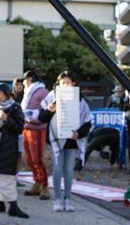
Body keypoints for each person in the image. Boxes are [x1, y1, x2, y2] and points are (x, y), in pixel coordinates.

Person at [39, 71, 92, 212]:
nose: (66, 85)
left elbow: (87, 121)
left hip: (72, 140)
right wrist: (49, 110)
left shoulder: (80, 100)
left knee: (68, 170)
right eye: (63, 83)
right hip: (56, 138)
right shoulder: (52, 96)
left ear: (74, 84)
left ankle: (67, 199)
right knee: (57, 169)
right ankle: (57, 199)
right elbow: (41, 117)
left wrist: (79, 133)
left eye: (69, 83)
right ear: (58, 84)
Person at [0, 83, 29, 218]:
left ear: (6, 94)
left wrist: (7, 119)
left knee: (7, 175)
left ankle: (12, 204)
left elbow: (19, 128)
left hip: (8, 145)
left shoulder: (15, 107)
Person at [21, 70, 50, 200]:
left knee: (37, 158)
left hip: (37, 128)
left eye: (25, 79)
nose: (23, 82)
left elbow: (48, 109)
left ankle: (44, 185)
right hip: (27, 127)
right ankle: (37, 182)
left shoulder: (42, 91)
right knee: (29, 159)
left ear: (30, 79)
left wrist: (35, 117)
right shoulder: (29, 91)